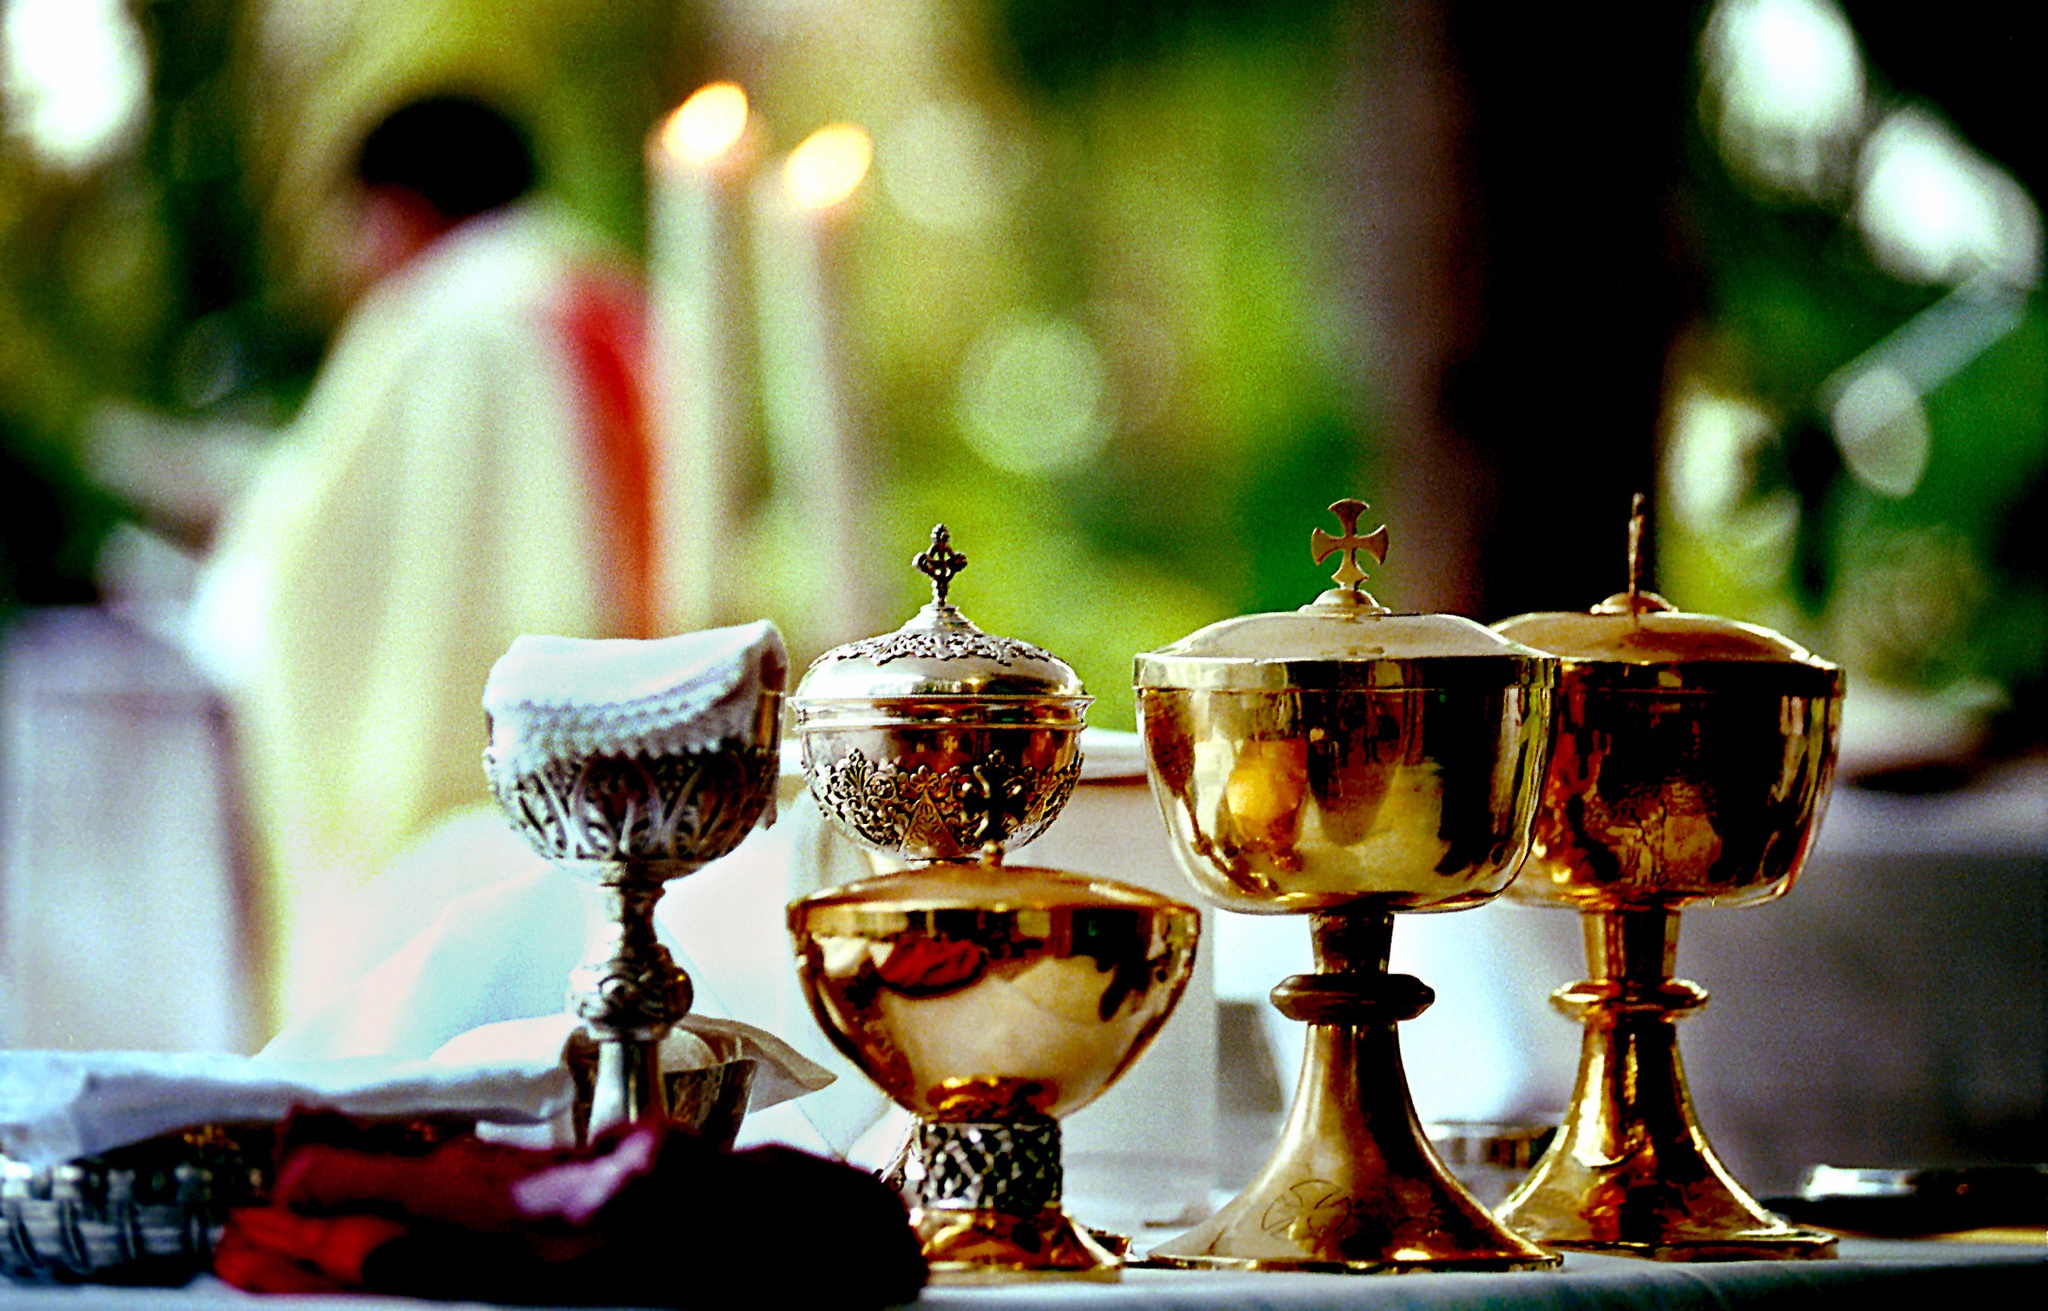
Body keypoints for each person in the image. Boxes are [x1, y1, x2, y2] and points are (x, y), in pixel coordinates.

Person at [193, 95, 655, 1031]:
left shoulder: (453, 325)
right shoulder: (609, 296)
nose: (357, 259)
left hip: (464, 809)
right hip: (638, 759)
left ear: (398, 206)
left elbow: (314, 571)